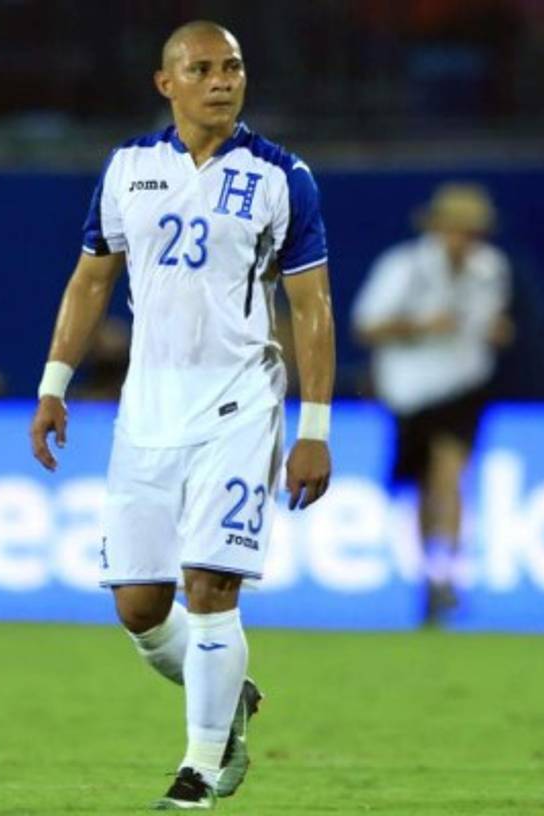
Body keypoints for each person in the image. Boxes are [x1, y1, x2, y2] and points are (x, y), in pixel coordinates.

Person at [28, 20, 335, 811]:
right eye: (202, 68)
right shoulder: (129, 168)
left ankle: (198, 770)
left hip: (240, 402)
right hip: (148, 408)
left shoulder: (280, 177)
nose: (222, 80)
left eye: (233, 65)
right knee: (139, 605)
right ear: (167, 83)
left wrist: (314, 429)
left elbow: (311, 306)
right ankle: (225, 697)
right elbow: (91, 281)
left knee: (209, 585)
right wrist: (54, 383)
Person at [351, 183, 512, 625]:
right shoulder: (404, 267)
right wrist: (420, 327)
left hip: (463, 385)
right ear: (439, 229)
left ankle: (451, 574)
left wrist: (496, 330)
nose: (464, 240)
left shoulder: (491, 269)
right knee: (425, 487)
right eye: (457, 230)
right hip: (411, 390)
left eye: (472, 231)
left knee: (449, 473)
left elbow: (487, 321)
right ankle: (431, 576)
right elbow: (366, 326)